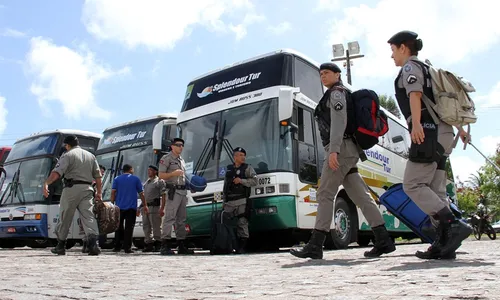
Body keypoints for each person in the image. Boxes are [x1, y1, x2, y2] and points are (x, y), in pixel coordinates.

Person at [290, 62, 396, 260]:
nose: (323, 76)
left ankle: (315, 244)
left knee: (325, 193)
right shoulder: (336, 93)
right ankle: (383, 240)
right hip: (347, 150)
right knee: (361, 197)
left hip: (341, 149)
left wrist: (334, 151)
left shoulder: (337, 93)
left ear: (338, 75)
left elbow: (339, 122)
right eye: (321, 74)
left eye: (327, 73)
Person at [388, 30, 472, 260]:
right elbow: (440, 105)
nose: (392, 56)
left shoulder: (410, 68)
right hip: (443, 133)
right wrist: (459, 130)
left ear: (404, 48)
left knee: (413, 184)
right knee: (436, 190)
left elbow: (415, 95)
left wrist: (416, 125)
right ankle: (444, 244)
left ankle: (452, 224)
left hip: (428, 132)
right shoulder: (428, 69)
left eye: (393, 50)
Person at [42, 135, 102, 256]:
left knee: (65, 216)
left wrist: (46, 184)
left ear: (67, 145)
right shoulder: (91, 156)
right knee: (88, 216)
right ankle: (93, 244)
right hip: (87, 189)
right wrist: (99, 193)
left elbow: (57, 173)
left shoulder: (68, 155)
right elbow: (98, 176)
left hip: (71, 188)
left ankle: (60, 245)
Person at [158, 138, 194, 255]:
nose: (181, 147)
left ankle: (181, 244)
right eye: (178, 145)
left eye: (182, 145)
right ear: (172, 146)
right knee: (170, 218)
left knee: (181, 220)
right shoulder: (166, 158)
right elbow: (161, 175)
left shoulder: (182, 160)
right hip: (173, 191)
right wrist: (173, 174)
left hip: (182, 191)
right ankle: (165, 245)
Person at [222, 147, 258, 254]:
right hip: (229, 202)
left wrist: (241, 181)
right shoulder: (228, 169)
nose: (243, 157)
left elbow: (255, 181)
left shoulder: (248, 168)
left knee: (242, 223)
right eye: (240, 155)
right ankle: (230, 246)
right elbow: (225, 186)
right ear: (235, 157)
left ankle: (241, 248)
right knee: (227, 224)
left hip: (242, 200)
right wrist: (224, 202)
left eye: (244, 155)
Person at [111, 164, 148, 253]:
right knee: (129, 228)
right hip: (131, 207)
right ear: (131, 169)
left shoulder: (117, 179)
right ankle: (127, 247)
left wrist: (112, 204)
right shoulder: (135, 179)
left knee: (118, 227)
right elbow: (141, 193)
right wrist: (145, 204)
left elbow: (113, 192)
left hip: (119, 207)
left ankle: (117, 246)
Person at [138, 165, 166, 252]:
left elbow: (163, 195)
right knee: (146, 227)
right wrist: (139, 207)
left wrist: (162, 208)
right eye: (148, 170)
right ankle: (149, 243)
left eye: (150, 170)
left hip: (155, 207)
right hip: (146, 207)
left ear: (155, 171)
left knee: (156, 226)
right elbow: (144, 197)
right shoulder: (146, 183)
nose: (148, 172)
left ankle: (158, 243)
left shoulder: (159, 182)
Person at [81, 164, 106, 254]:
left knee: (91, 225)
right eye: (101, 171)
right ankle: (90, 245)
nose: (102, 173)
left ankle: (89, 245)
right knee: (91, 225)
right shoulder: (92, 182)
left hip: (95, 206)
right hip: (91, 206)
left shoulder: (100, 182)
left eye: (103, 172)